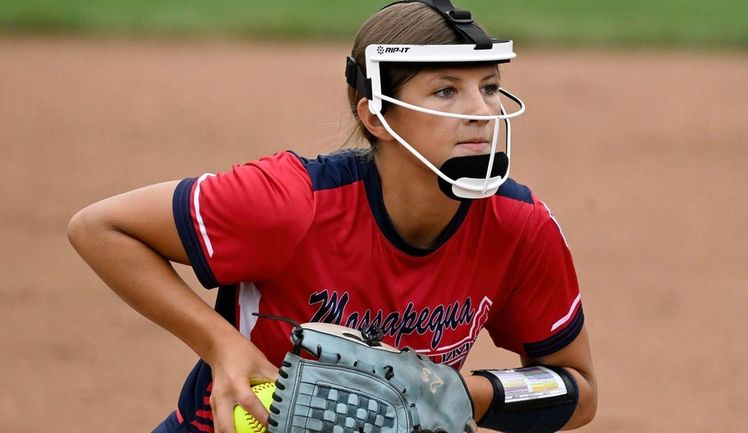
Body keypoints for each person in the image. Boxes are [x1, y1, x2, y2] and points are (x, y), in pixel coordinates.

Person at [68, 1, 597, 432]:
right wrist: (223, 346)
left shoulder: (518, 225)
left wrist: (460, 393)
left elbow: (576, 388)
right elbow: (100, 228)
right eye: (445, 90)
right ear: (376, 116)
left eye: (487, 86)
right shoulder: (290, 203)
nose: (481, 112)